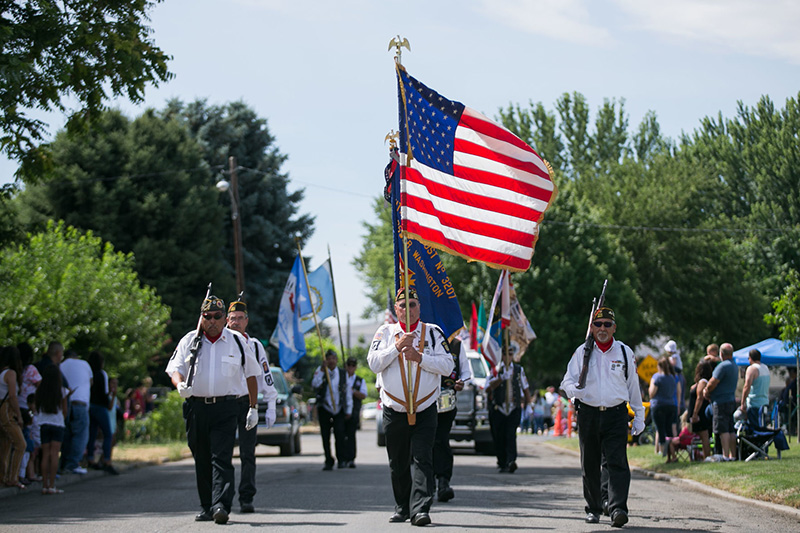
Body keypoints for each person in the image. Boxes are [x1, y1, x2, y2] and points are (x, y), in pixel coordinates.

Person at [166, 294, 262, 525]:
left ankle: (221, 505)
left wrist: (253, 407)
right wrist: (179, 384)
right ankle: (206, 506)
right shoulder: (190, 340)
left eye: (217, 316)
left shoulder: (237, 341)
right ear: (201, 318)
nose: (212, 321)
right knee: (201, 457)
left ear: (223, 318)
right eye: (206, 316)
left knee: (221, 457)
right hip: (196, 407)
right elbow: (174, 368)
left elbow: (251, 374)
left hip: (226, 407)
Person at [367, 287, 454, 527]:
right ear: (396, 309)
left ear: (420, 307)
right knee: (398, 461)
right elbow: (373, 363)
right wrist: (396, 348)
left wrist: (420, 358)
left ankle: (420, 509)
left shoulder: (433, 333)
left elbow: (448, 366)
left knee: (423, 458)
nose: (408, 309)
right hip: (394, 408)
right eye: (403, 305)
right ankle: (402, 507)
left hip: (425, 407)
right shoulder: (385, 332)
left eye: (413, 304)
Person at [561, 306, 644, 528]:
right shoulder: (582, 352)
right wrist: (574, 391)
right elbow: (566, 381)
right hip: (588, 413)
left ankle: (618, 508)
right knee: (589, 464)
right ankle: (594, 508)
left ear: (614, 328)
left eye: (607, 324)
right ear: (592, 327)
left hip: (616, 414)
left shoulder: (625, 352)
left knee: (617, 463)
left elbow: (633, 386)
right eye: (598, 324)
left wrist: (639, 415)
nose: (603, 328)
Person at [226, 298, 278, 513]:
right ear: (227, 321)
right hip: (226, 403)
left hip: (249, 403)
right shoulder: (222, 342)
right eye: (232, 319)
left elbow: (265, 376)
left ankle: (246, 497)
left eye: (240, 318)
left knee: (248, 453)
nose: (236, 322)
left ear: (246, 321)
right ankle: (223, 498)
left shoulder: (255, 346)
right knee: (223, 453)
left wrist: (272, 403)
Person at [432, 338, 472, 501]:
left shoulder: (455, 344)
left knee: (441, 439)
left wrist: (461, 381)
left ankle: (443, 481)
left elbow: (465, 371)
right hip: (424, 400)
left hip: (446, 400)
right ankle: (425, 484)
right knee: (425, 441)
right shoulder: (423, 337)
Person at [487, 357, 531, 473]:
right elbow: (487, 388)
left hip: (513, 407)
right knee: (499, 436)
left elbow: (525, 387)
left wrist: (528, 404)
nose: (508, 356)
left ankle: (511, 460)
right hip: (499, 408)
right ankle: (502, 462)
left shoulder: (518, 370)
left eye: (510, 353)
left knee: (511, 435)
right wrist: (500, 379)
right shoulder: (495, 369)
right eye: (506, 353)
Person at [312, 349, 352, 470]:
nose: (331, 361)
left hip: (338, 407)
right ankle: (328, 459)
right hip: (325, 407)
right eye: (329, 359)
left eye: (333, 359)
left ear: (337, 360)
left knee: (340, 433)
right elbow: (315, 384)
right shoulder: (321, 371)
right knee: (325, 435)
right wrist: (322, 371)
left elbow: (348, 391)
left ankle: (341, 459)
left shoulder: (342, 373)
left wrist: (348, 409)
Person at [34, 365, 68, 494]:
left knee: (45, 454)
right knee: (55, 454)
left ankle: (44, 485)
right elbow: (65, 410)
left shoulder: (40, 390)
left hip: (44, 424)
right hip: (57, 424)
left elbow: (37, 407)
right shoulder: (62, 391)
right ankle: (52, 485)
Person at [59, 349, 93, 475]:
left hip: (65, 403)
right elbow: (91, 382)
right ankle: (73, 464)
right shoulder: (84, 364)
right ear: (76, 356)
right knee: (81, 435)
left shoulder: (60, 366)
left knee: (67, 434)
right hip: (80, 402)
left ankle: (63, 462)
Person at [702, 342, 738, 461]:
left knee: (723, 430)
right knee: (731, 429)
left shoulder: (723, 366)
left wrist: (706, 390)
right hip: (731, 400)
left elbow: (713, 382)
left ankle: (725, 455)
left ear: (722, 353)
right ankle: (733, 455)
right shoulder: (734, 365)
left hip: (720, 402)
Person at [86, 351, 118, 475]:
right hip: (100, 406)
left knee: (92, 433)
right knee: (108, 434)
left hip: (90, 405)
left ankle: (90, 458)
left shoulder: (89, 374)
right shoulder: (101, 374)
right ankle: (107, 460)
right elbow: (104, 393)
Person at [0, 346, 27, 489]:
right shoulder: (11, 373)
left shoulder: (1, 372)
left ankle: (2, 477)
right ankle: (13, 477)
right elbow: (12, 396)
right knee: (20, 444)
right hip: (6, 410)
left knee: (5, 445)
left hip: (1, 409)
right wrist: (19, 415)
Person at [649, 357, 678, 457]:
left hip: (659, 405)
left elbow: (652, 393)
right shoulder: (672, 378)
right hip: (671, 405)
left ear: (659, 366)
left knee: (660, 430)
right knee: (669, 430)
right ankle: (672, 452)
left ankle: (663, 451)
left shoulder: (657, 377)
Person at [343, 356, 367, 468]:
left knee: (351, 435)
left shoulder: (359, 381)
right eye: (349, 365)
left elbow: (363, 395)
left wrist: (352, 391)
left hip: (354, 411)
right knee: (341, 435)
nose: (351, 368)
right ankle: (342, 458)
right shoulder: (342, 378)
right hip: (342, 410)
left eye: (353, 365)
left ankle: (351, 458)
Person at [688, 360, 713, 460]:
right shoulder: (700, 382)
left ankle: (706, 456)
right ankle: (702, 456)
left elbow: (700, 398)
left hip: (700, 412)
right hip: (698, 411)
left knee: (704, 436)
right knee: (701, 436)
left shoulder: (703, 381)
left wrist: (695, 413)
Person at [740, 349, 770, 428]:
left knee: (754, 428)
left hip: (754, 404)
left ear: (750, 358)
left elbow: (747, 386)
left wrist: (742, 402)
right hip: (765, 402)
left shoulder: (752, 369)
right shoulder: (765, 368)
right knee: (763, 427)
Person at [663, 340, 686, 417]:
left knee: (678, 391)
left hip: (677, 374)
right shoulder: (676, 355)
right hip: (677, 374)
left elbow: (673, 363)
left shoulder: (674, 356)